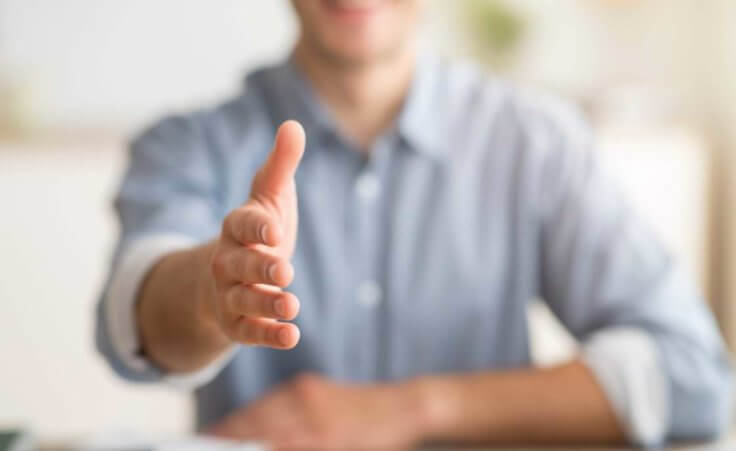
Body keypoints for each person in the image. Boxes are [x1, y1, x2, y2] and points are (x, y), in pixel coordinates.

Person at [96, 0, 732, 448]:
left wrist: (411, 410)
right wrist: (213, 293)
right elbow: (137, 315)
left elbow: (692, 375)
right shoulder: (185, 145)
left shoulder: (535, 142)